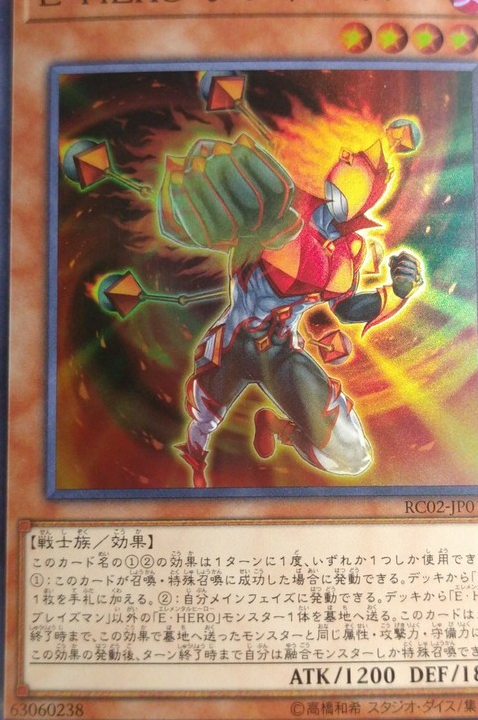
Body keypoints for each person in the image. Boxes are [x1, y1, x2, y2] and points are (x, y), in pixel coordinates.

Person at [158, 127, 423, 488]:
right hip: (233, 345)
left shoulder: (348, 251)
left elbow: (347, 308)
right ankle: (195, 474)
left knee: (353, 456)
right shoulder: (285, 208)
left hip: (281, 354)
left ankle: (276, 426)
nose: (347, 163)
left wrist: (397, 291)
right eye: (349, 161)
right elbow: (219, 225)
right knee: (202, 423)